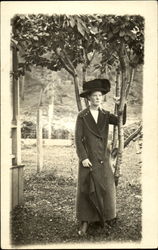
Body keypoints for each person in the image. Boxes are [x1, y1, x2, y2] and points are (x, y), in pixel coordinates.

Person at [74, 79, 126, 236]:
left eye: (100, 95)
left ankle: (105, 217)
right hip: (88, 159)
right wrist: (83, 157)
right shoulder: (82, 116)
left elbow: (120, 121)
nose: (97, 98)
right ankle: (84, 221)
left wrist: (120, 105)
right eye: (94, 96)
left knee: (105, 188)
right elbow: (78, 139)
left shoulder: (105, 115)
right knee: (86, 189)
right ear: (88, 98)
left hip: (103, 159)